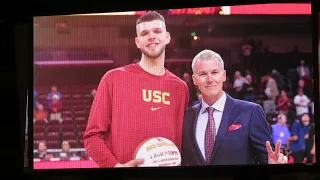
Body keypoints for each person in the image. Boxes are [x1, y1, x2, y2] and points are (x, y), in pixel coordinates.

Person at [83, 11, 189, 168]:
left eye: (157, 31)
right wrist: (116, 166)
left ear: (167, 37)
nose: (151, 36)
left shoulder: (180, 88)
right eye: (145, 33)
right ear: (137, 42)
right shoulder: (114, 78)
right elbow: (92, 137)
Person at [181, 49, 287, 166]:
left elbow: (267, 157)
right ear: (194, 80)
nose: (209, 79)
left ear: (224, 76)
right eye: (203, 74)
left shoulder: (251, 112)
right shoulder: (187, 116)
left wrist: (273, 163)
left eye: (214, 72)